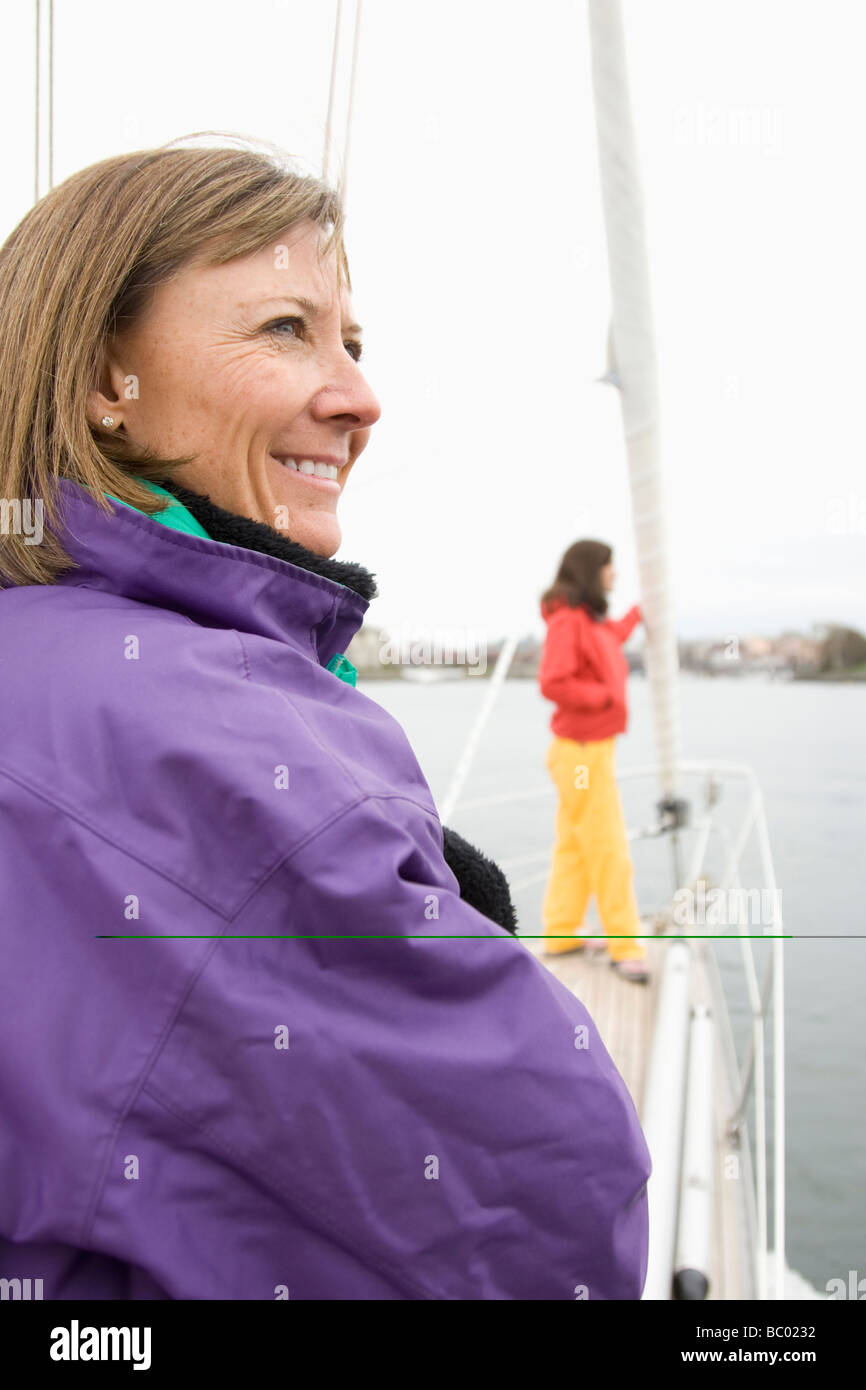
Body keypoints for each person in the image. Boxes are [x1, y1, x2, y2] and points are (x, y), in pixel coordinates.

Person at [0, 140, 650, 1299]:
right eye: (284, 329)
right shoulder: (207, 741)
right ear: (107, 378)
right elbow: (548, 1224)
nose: (358, 395)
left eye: (352, 342)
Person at [538, 540, 649, 982]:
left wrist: (640, 613)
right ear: (591, 571)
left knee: (575, 845)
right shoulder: (568, 621)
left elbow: (609, 640)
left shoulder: (588, 621)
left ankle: (562, 931)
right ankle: (625, 945)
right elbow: (553, 682)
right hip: (582, 756)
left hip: (587, 752)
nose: (615, 574)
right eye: (609, 566)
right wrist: (603, 697)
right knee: (607, 846)